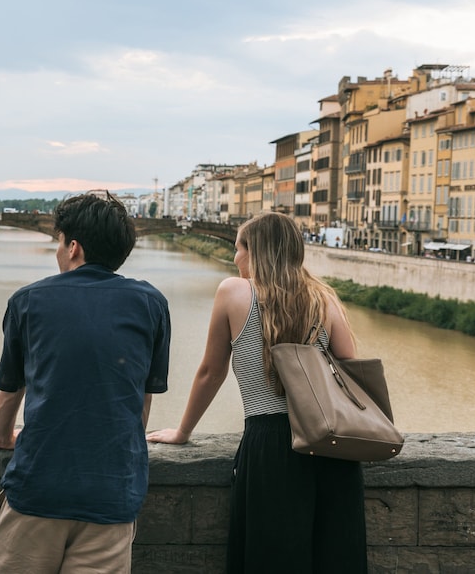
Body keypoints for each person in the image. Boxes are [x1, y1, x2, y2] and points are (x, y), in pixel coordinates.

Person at [146, 211, 367, 573]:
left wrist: (183, 432)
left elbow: (210, 372)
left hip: (271, 443)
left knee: (271, 556)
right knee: (333, 556)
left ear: (255, 252)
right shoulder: (324, 299)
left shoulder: (233, 292)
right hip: (331, 444)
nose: (235, 258)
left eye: (238, 249)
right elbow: (351, 373)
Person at [0, 192, 171, 573]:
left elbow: (11, 389)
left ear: (73, 247)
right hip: (113, 492)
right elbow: (142, 398)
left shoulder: (28, 300)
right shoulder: (151, 303)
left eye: (59, 241)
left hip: (39, 488)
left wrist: (3, 437)